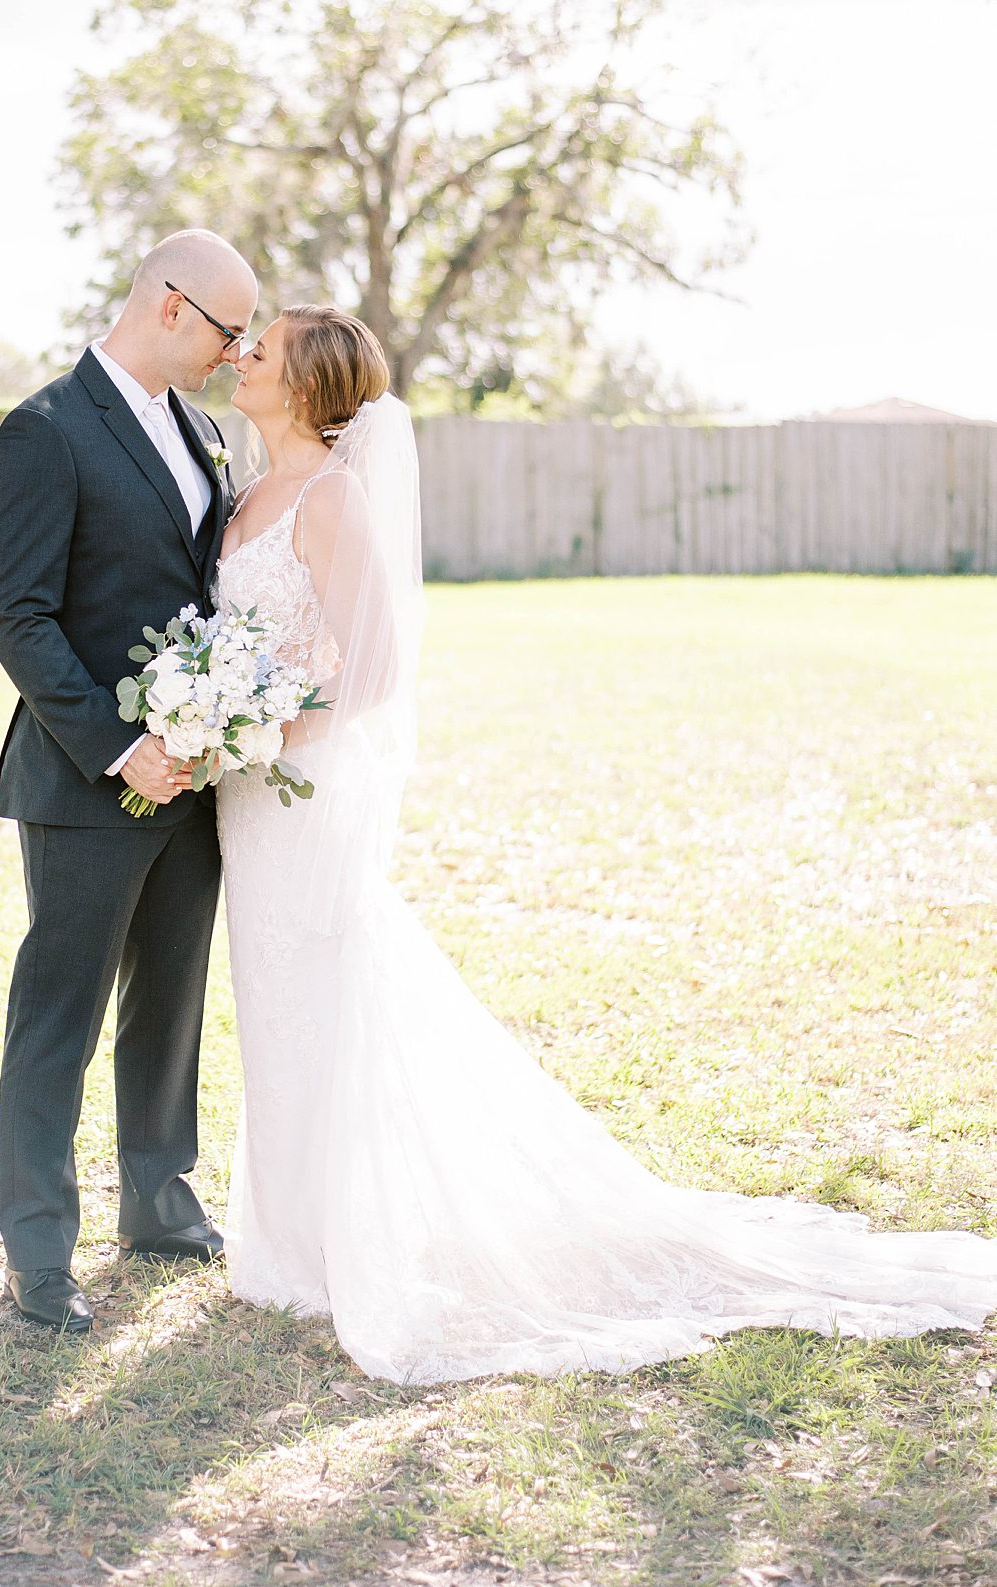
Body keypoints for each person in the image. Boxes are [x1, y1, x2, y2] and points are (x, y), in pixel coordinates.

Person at [214, 304, 997, 1383]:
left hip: (303, 788)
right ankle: (286, 1233)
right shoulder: (244, 494)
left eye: (264, 346)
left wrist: (266, 721)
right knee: (272, 993)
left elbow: (378, 668)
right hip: (245, 800)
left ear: (307, 386)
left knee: (326, 986)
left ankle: (337, 1241)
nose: (242, 353)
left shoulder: (336, 497)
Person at [0, 230, 257, 1333]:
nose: (239, 354)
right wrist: (118, 743)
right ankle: (39, 1251)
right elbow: (17, 616)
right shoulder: (45, 430)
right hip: (87, 779)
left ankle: (158, 1196)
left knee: (171, 1001)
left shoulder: (204, 434)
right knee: (61, 1015)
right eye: (230, 330)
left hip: (193, 778)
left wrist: (211, 726)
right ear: (173, 307)